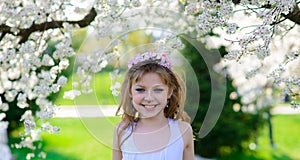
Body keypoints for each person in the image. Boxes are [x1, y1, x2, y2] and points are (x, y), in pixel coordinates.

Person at [112, 52, 194, 160]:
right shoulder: (122, 131)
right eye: (140, 90)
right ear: (130, 92)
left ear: (169, 92)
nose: (149, 98)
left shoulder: (183, 130)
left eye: (158, 90)